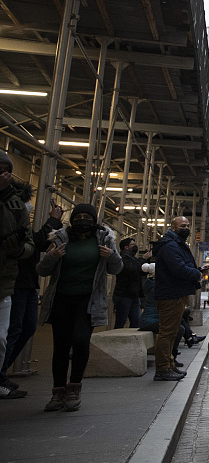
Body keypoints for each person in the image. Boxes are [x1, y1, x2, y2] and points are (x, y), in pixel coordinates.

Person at [36, 202, 122, 411]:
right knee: (61, 346)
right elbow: (42, 270)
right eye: (78, 216)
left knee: (81, 340)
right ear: (72, 220)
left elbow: (117, 268)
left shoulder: (105, 239)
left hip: (88, 300)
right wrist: (52, 256)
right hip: (61, 299)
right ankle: (57, 391)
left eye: (87, 216)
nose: (83, 220)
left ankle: (74, 386)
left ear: (94, 221)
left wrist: (111, 256)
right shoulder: (60, 239)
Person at [2, 193, 63, 395]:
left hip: (27, 284)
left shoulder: (23, 229)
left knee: (26, 328)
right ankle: (1, 375)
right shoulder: (11, 228)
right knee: (12, 331)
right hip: (16, 285)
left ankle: (2, 373)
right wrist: (53, 220)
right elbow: (37, 243)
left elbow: (38, 242)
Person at [152, 216, 205, 382]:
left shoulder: (175, 244)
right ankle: (162, 368)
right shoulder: (170, 245)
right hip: (170, 295)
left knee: (172, 331)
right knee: (167, 333)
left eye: (188, 225)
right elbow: (179, 268)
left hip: (175, 294)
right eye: (183, 226)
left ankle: (169, 364)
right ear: (173, 228)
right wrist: (197, 274)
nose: (186, 228)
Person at [0, 152, 35, 399]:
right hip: (14, 282)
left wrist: (20, 249)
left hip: (6, 282)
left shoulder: (16, 205)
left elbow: (29, 242)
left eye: (5, 169)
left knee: (3, 339)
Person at [112, 238, 146, 329]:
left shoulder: (132, 258)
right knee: (121, 322)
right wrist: (143, 259)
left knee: (136, 322)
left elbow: (139, 270)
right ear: (126, 247)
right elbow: (131, 270)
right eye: (132, 245)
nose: (135, 246)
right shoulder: (122, 258)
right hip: (123, 295)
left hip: (133, 295)